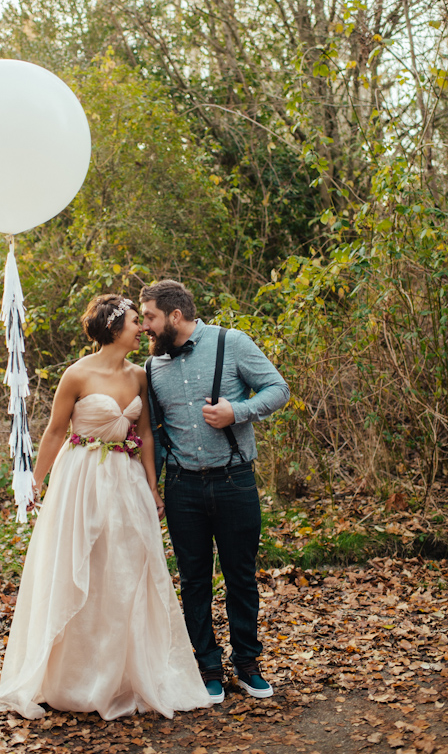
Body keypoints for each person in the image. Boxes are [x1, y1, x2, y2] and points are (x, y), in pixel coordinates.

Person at [0, 294, 211, 720]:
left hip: (126, 482)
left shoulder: (139, 375)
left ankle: (123, 674)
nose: (141, 327)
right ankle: (72, 676)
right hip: (81, 480)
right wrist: (36, 479)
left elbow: (144, 433)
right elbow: (53, 432)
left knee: (124, 571)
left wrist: (152, 487)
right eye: (133, 321)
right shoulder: (76, 374)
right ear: (112, 328)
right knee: (81, 566)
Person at [140, 280, 290, 704]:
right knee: (193, 581)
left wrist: (236, 412)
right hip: (182, 487)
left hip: (234, 481)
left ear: (174, 315)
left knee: (240, 577)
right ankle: (207, 667)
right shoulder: (150, 369)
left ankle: (247, 664)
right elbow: (151, 432)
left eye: (149, 317)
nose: (145, 327)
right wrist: (153, 488)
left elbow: (279, 390)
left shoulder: (233, 342)